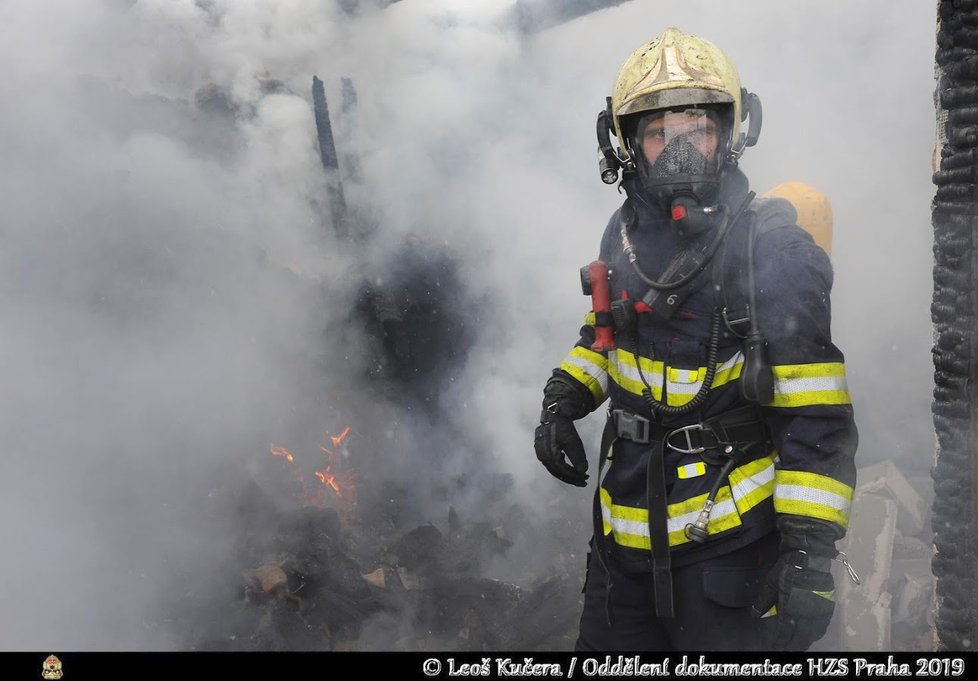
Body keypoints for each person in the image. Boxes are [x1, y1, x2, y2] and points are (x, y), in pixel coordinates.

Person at [533, 27, 858, 651]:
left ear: (731, 133)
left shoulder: (773, 252)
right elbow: (605, 338)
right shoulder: (624, 237)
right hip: (620, 550)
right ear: (626, 144)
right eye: (659, 133)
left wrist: (808, 556)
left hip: (729, 558)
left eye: (697, 130)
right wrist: (562, 400)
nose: (679, 150)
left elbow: (816, 416)